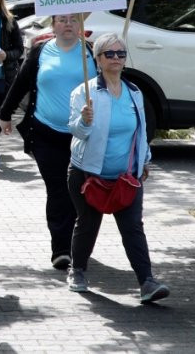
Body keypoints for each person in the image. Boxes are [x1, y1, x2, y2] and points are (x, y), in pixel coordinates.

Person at [67, 33, 169, 303]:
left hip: (126, 176)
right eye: (109, 54)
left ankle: (147, 281)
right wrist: (84, 120)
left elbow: (142, 131)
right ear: (97, 60)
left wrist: (144, 160)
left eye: (120, 53)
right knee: (88, 224)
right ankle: (77, 270)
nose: (115, 58)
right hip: (89, 173)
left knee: (133, 227)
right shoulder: (85, 92)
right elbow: (76, 131)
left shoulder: (135, 92)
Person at [0, 15, 97, 271]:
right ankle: (61, 249)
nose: (68, 25)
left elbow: (108, 86)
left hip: (82, 135)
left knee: (77, 189)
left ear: (81, 26)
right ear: (53, 25)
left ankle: (78, 239)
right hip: (45, 132)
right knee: (57, 188)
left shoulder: (91, 54)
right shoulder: (41, 51)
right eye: (62, 20)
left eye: (73, 20)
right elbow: (21, 83)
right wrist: (4, 113)